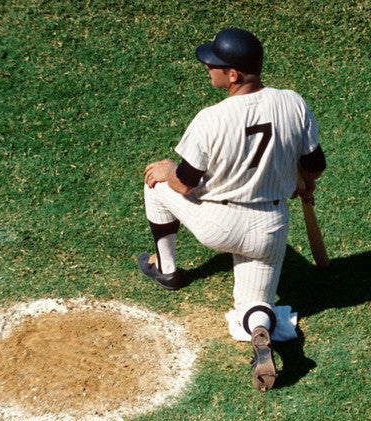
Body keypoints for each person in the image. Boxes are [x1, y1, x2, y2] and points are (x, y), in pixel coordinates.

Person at [138, 28, 326, 391]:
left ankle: (167, 269)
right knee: (253, 305)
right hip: (270, 229)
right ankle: (263, 331)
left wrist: (166, 170)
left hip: (219, 223)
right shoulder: (293, 102)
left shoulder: (211, 118)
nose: (208, 66)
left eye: (214, 64)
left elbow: (185, 183)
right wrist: (305, 182)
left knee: (156, 183)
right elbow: (314, 164)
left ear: (234, 75)